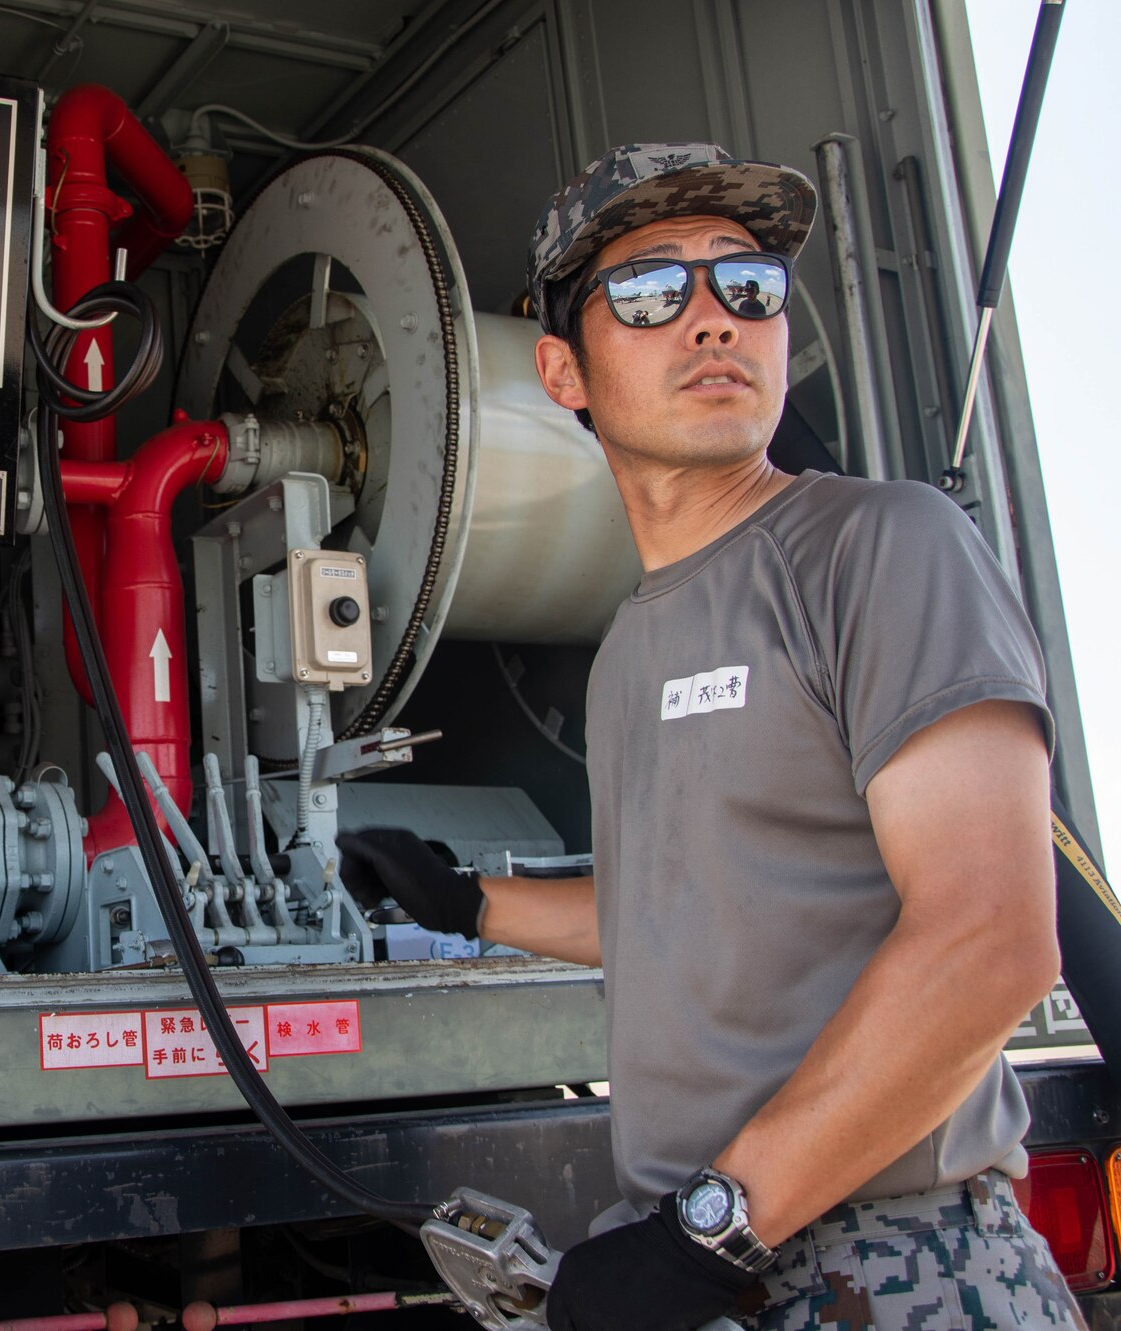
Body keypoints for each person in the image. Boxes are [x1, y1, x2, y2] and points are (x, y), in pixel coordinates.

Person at [340, 142, 1080, 1329]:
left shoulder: (882, 546)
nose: (708, 320)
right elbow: (674, 905)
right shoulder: (630, 643)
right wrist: (462, 901)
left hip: (894, 1263)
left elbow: (990, 938)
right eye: (645, 292)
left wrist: (707, 1229)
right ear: (560, 369)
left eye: (745, 286)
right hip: (721, 1258)